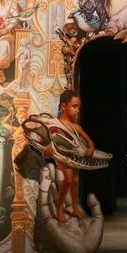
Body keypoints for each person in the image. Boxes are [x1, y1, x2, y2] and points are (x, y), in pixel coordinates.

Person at [54, 90, 95, 224]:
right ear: (63, 107)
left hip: (73, 157)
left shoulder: (75, 126)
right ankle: (59, 209)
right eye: (74, 106)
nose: (77, 110)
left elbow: (89, 141)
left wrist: (91, 147)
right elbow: (49, 140)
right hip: (61, 155)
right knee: (68, 179)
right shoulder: (56, 124)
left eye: (79, 107)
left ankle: (75, 207)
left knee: (75, 180)